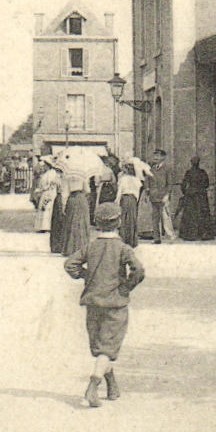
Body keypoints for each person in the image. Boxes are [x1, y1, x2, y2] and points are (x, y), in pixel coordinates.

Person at [65, 201, 146, 408]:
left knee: (100, 347)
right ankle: (92, 388)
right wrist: (125, 287)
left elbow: (70, 264)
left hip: (93, 302)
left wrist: (87, 276)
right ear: (118, 222)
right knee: (107, 349)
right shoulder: (122, 248)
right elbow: (139, 270)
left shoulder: (91, 246)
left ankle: (112, 386)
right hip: (115, 305)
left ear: (97, 223)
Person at [177, 156, 213, 241]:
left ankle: (190, 235)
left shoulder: (189, 172)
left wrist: (186, 192)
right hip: (201, 196)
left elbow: (183, 185)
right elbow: (207, 184)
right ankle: (203, 234)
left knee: (191, 215)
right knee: (202, 214)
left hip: (191, 196)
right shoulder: (202, 172)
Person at [61, 161, 92, 257]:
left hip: (72, 199)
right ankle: (83, 247)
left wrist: (63, 205)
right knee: (82, 222)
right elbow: (88, 190)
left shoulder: (67, 177)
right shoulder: (83, 176)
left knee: (71, 222)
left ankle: (70, 248)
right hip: (81, 199)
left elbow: (65, 192)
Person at [143, 148, 171, 243]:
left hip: (163, 196)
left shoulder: (167, 168)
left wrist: (167, 194)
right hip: (153, 197)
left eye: (158, 155)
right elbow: (147, 181)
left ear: (163, 157)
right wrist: (147, 192)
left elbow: (169, 183)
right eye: (155, 155)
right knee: (155, 218)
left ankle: (168, 236)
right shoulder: (151, 169)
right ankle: (157, 238)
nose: (155, 157)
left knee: (165, 217)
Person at [116, 158, 145, 248]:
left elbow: (120, 191)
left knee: (124, 219)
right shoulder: (137, 180)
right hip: (133, 199)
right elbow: (137, 192)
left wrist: (117, 201)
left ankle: (123, 239)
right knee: (132, 219)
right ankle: (132, 240)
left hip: (124, 199)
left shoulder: (123, 179)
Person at [48, 156, 70, 255]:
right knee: (59, 222)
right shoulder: (62, 178)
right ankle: (58, 245)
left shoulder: (61, 178)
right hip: (61, 199)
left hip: (60, 199)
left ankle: (58, 245)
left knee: (58, 222)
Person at [33, 159, 60, 235]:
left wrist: (43, 188)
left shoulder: (52, 173)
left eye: (45, 165)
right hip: (45, 192)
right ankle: (42, 226)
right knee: (43, 208)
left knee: (48, 208)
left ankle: (48, 226)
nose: (44, 166)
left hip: (50, 192)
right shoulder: (45, 174)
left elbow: (51, 184)